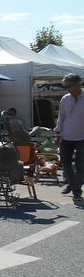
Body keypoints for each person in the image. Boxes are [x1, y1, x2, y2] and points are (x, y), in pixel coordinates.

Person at [55, 73, 84, 201]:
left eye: (69, 86)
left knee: (80, 165)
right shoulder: (65, 99)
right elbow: (61, 117)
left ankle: (76, 190)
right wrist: (57, 133)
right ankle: (73, 184)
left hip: (82, 137)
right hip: (66, 135)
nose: (67, 89)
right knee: (65, 163)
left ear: (78, 84)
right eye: (65, 86)